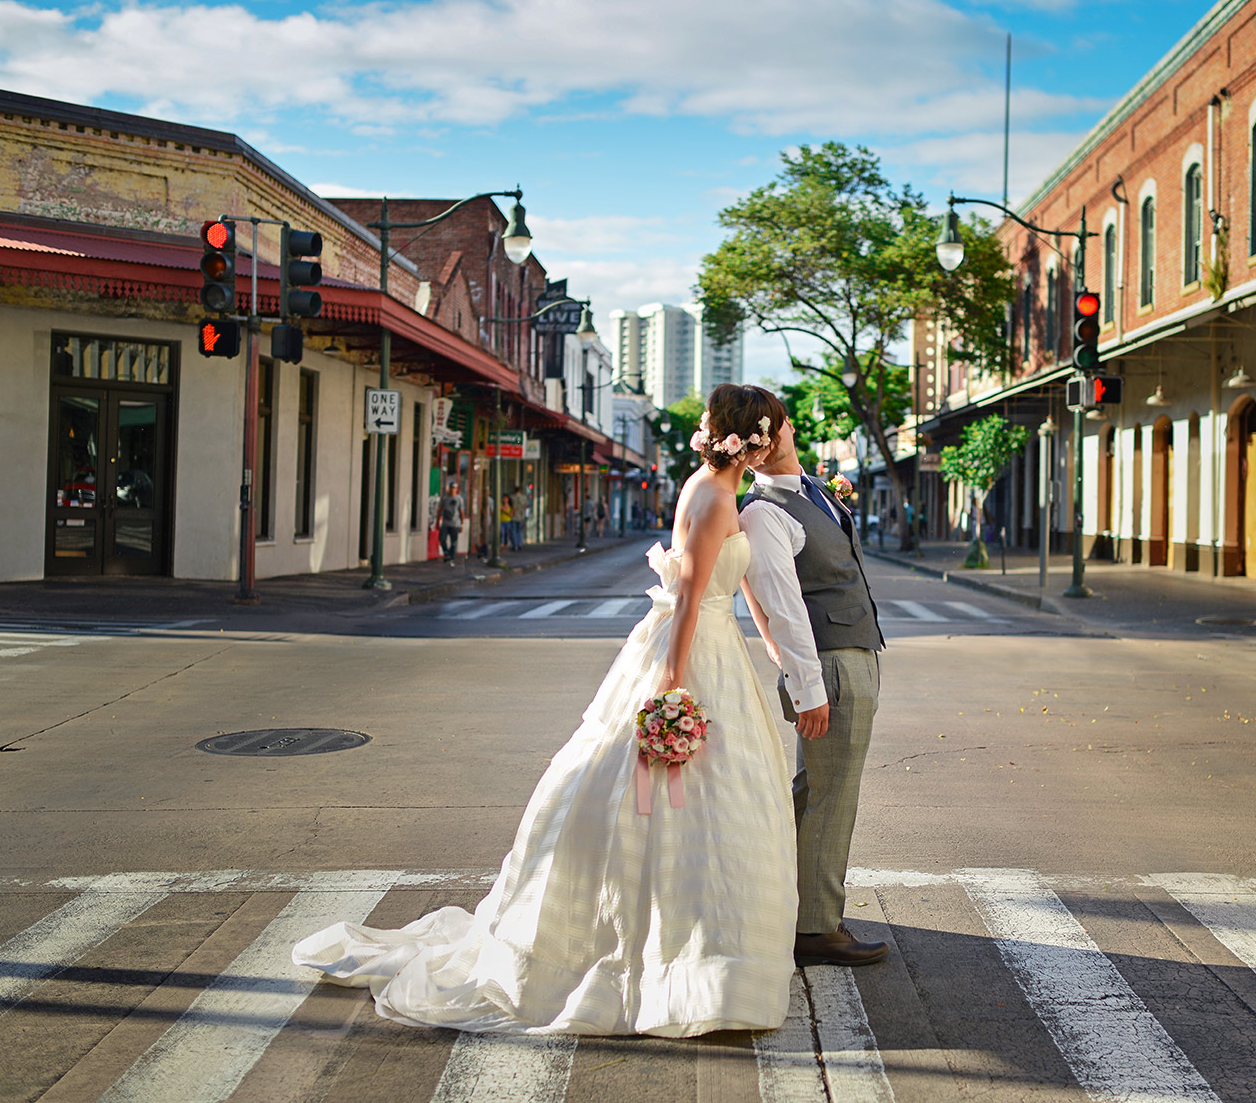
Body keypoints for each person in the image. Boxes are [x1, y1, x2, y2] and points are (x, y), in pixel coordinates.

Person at [293, 384, 799, 1036]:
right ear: (747, 438)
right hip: (693, 649)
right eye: (771, 432)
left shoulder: (723, 491)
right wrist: (671, 693)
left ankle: (708, 954)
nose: (774, 442)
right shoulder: (709, 492)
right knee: (663, 795)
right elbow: (688, 596)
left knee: (717, 805)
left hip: (719, 647)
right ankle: (664, 961)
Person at [739, 414, 890, 967]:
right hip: (828, 664)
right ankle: (816, 927)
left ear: (785, 427)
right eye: (753, 434)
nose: (767, 439)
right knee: (834, 795)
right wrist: (808, 689)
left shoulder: (815, 490)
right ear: (745, 448)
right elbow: (783, 608)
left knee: (812, 791)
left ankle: (789, 905)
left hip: (856, 652)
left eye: (770, 426)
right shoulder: (762, 512)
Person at [437, 481, 464, 565]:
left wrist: (461, 524)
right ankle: (446, 553)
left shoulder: (459, 499)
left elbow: (461, 512)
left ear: (456, 489)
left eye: (454, 488)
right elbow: (440, 509)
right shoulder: (445, 498)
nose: (453, 490)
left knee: (454, 542)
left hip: (455, 523)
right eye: (452, 488)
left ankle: (451, 558)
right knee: (442, 538)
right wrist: (438, 520)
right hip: (446, 522)